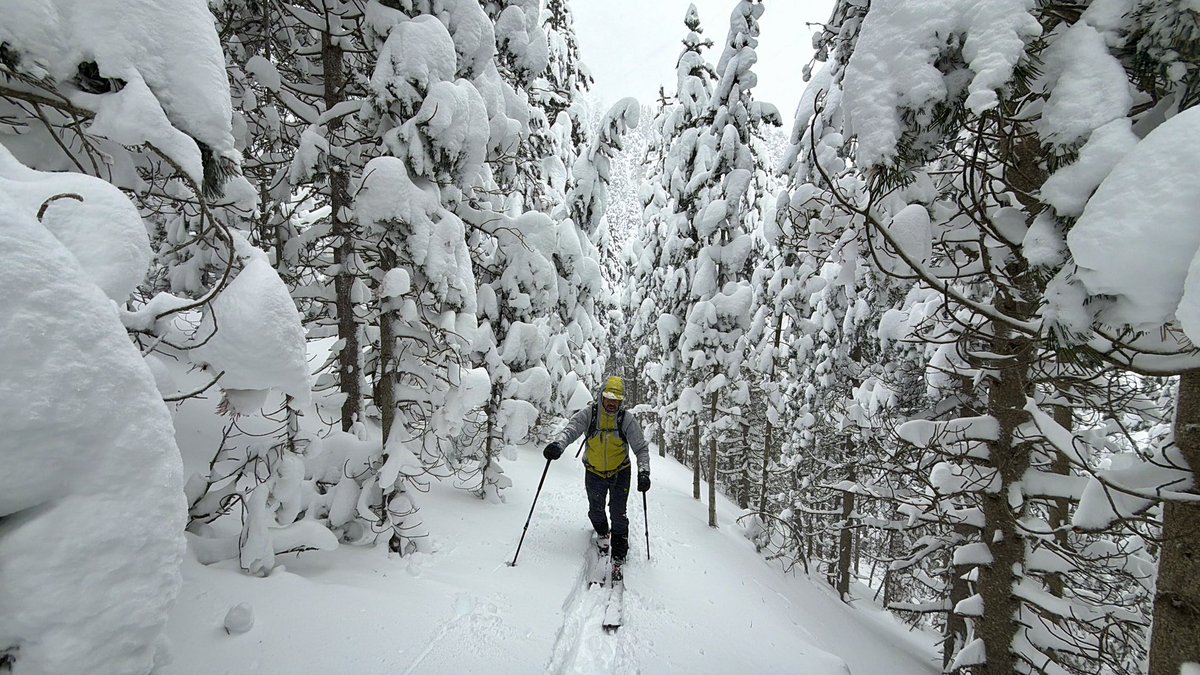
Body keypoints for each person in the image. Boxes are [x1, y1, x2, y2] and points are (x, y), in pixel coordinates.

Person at [543, 375, 650, 577]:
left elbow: (641, 449)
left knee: (619, 513)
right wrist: (558, 445)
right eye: (609, 398)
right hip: (594, 471)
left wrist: (644, 472)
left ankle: (619, 553)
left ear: (621, 401)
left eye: (616, 400)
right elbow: (571, 429)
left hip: (620, 471)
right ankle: (602, 533)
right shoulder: (590, 414)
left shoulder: (626, 419)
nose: (612, 403)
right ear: (602, 396)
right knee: (595, 511)